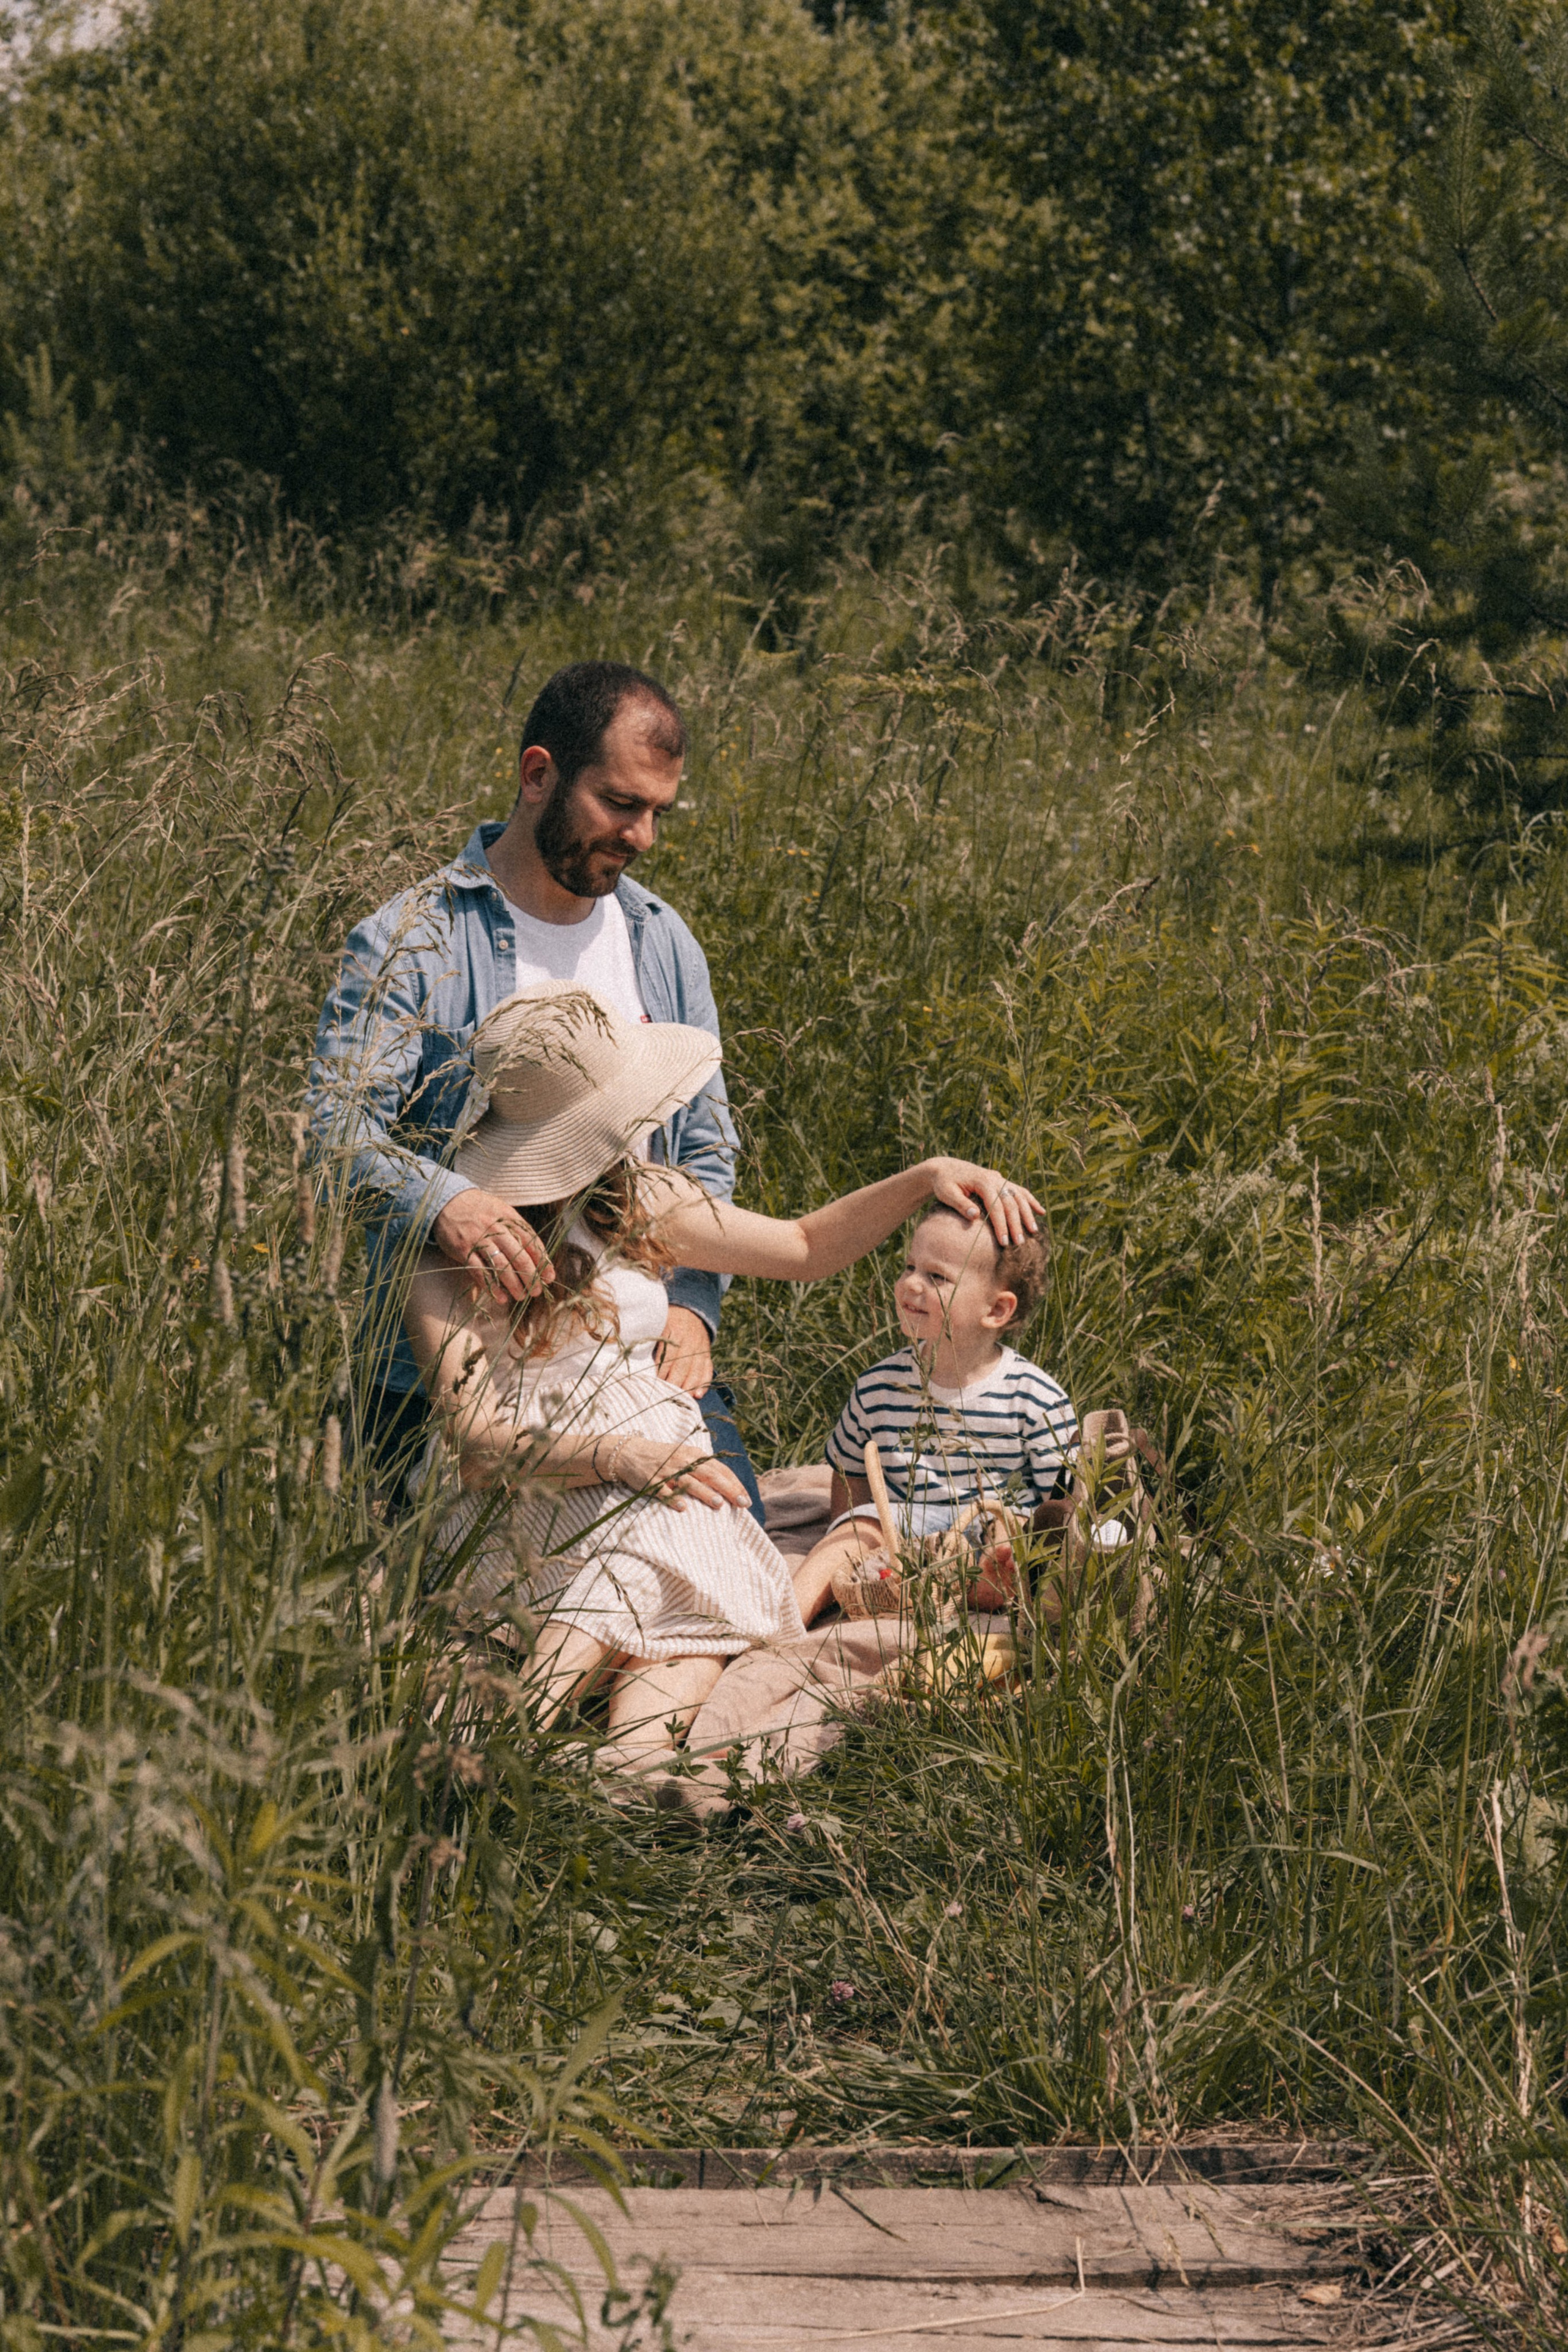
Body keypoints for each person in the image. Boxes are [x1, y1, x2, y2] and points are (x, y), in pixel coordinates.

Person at [402, 979, 1042, 1785]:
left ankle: (628, 1772)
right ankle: (516, 1745)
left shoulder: (631, 1202)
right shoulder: (451, 1247)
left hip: (660, 1462)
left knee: (702, 1587)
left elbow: (805, 1246)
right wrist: (619, 1457)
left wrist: (923, 1178)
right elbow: (477, 1446)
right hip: (539, 1483)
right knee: (651, 1538)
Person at [305, 659, 763, 1511]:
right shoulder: (414, 939)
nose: (643, 837)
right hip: (453, 1379)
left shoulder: (663, 943)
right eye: (621, 804)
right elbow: (333, 1134)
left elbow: (705, 1147)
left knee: (740, 1542)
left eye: (659, 812)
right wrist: (446, 1202)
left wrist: (694, 1308)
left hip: (635, 1354)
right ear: (538, 775)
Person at [787, 1202, 1079, 1627]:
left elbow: (1061, 1500)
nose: (910, 1284)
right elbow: (850, 1472)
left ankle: (989, 1585)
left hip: (988, 1526)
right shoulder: (878, 1386)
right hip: (902, 1527)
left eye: (936, 1276)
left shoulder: (1036, 1399)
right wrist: (850, 1530)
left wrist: (1032, 1541)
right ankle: (788, 1612)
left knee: (1010, 1533)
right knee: (855, 1528)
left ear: (997, 1310)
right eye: (909, 1267)